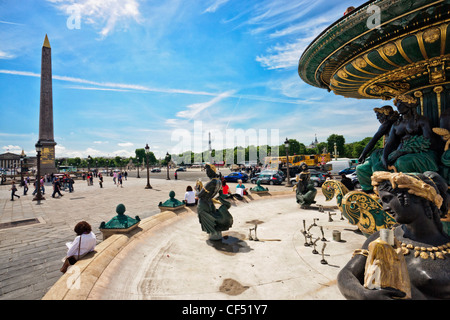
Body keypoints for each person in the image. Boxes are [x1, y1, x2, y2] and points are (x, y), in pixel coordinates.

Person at [337, 171, 450, 300]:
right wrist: (364, 294)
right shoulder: (385, 236)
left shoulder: (446, 249)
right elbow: (347, 274)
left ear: (416, 196)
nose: (385, 208)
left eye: (387, 199)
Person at [382, 95, 439, 174]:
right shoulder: (396, 125)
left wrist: (403, 151)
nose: (397, 106)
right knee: (376, 166)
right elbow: (389, 144)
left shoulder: (422, 120)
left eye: (400, 104)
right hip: (400, 151)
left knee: (403, 162)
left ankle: (410, 185)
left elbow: (428, 141)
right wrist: (384, 157)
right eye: (397, 104)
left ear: (408, 104)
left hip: (422, 152)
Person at [356, 106, 399, 192]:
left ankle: (380, 190)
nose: (378, 118)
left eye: (379, 116)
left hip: (391, 151)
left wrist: (363, 154)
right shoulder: (392, 123)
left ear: (386, 114)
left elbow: (374, 140)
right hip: (385, 151)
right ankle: (369, 189)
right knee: (361, 168)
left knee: (373, 168)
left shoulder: (388, 123)